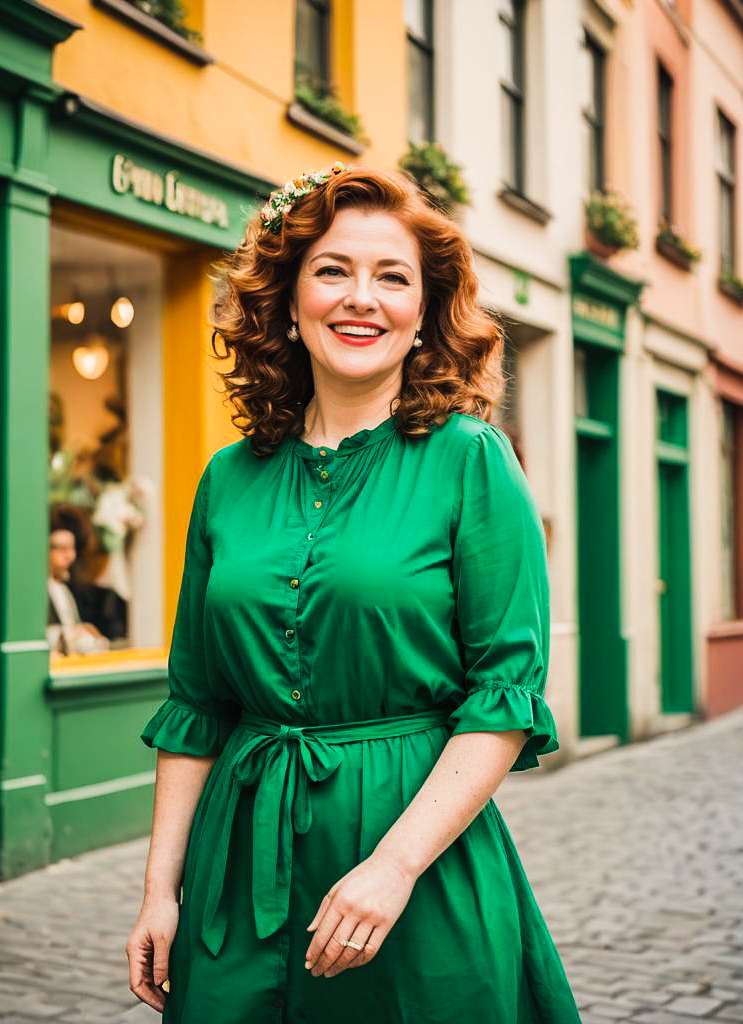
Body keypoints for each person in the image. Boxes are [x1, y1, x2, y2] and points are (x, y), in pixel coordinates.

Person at [126, 166, 580, 1022]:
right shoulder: (227, 479)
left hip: (417, 867)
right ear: (289, 304)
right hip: (238, 871)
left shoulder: (471, 462)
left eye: (392, 277)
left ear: (422, 316)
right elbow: (196, 703)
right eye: (332, 270)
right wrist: (159, 890)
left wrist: (393, 867)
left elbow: (505, 700)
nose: (360, 298)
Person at [46, 506, 117, 655]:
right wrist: (63, 635)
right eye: (62, 549)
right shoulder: (41, 590)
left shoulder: (64, 589)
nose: (70, 556)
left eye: (72, 549)